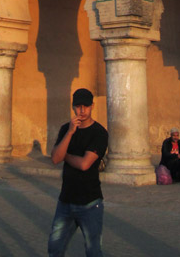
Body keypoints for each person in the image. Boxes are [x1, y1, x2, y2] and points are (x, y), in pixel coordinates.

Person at [48, 88, 108, 257]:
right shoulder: (66, 129)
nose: (82, 110)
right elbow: (54, 159)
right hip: (65, 201)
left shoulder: (99, 133)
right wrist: (70, 133)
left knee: (93, 251)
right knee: (54, 248)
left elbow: (84, 164)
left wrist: (64, 156)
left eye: (86, 106)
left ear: (92, 106)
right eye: (78, 106)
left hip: (90, 203)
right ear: (73, 107)